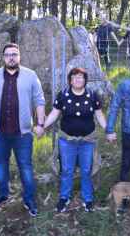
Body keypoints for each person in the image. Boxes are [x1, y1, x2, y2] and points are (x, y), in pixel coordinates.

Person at [0, 43, 46, 217]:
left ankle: (29, 200)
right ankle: (2, 195)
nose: (11, 57)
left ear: (19, 56)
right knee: (1, 165)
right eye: (7, 55)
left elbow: (39, 101)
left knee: (25, 167)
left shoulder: (31, 75)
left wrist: (40, 124)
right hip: (0, 133)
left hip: (23, 133)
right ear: (3, 57)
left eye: (14, 54)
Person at [41, 67, 107, 213]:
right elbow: (54, 114)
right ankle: (64, 197)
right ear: (70, 80)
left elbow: (99, 115)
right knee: (67, 170)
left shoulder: (92, 95)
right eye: (75, 77)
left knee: (86, 170)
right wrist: (42, 126)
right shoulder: (63, 95)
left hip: (87, 141)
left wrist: (108, 130)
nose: (78, 79)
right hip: (67, 141)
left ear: (85, 79)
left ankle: (87, 198)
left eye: (81, 77)